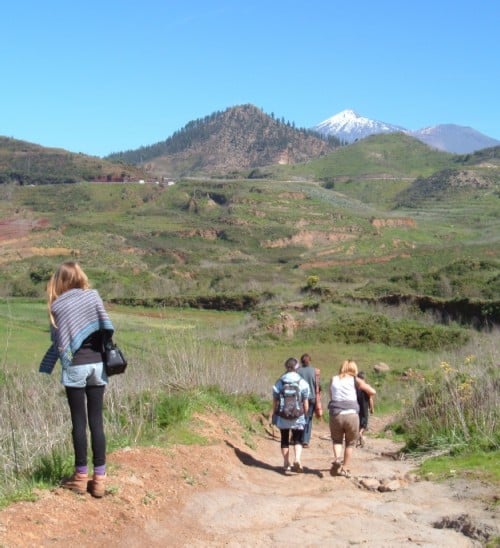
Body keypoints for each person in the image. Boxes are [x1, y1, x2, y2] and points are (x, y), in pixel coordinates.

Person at [39, 261, 115, 497]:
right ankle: (100, 479)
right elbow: (107, 328)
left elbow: (60, 343)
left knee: (79, 423)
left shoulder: (57, 306)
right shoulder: (93, 297)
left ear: (59, 280)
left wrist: (60, 360)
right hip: (97, 365)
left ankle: (81, 476)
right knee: (97, 422)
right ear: (79, 276)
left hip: (75, 366)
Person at [328, 359, 376, 478]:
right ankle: (344, 467)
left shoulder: (333, 379)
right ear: (354, 369)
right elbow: (372, 392)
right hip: (351, 414)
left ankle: (337, 459)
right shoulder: (355, 379)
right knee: (350, 443)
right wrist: (365, 386)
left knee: (337, 440)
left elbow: (331, 395)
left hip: (336, 414)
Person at [272, 357, 310, 473]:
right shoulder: (302, 382)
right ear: (296, 368)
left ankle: (286, 463)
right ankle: (297, 459)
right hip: (298, 415)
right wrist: (305, 413)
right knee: (298, 438)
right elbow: (305, 402)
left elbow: (275, 400)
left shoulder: (280, 382)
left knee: (284, 439)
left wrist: (274, 412)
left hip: (283, 415)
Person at [297, 353, 318, 448]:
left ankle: (296, 438)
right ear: (309, 361)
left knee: (298, 417)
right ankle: (305, 440)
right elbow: (317, 385)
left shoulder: (297, 371)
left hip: (300, 398)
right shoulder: (314, 371)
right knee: (308, 418)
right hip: (311, 398)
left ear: (301, 361)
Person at [356, 371, 375, 447]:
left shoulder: (355, 387)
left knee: (358, 423)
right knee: (364, 424)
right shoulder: (367, 387)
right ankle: (360, 434)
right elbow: (370, 399)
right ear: (364, 378)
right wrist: (372, 408)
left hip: (356, 407)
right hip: (364, 407)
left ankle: (360, 441)